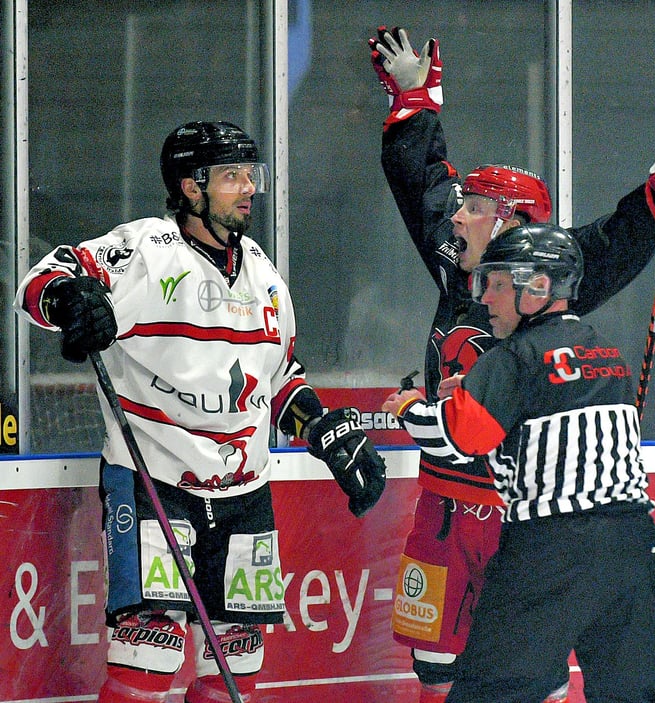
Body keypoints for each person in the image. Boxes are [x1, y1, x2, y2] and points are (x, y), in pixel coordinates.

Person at [367, 25, 655, 703]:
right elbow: (423, 188)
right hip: (443, 506)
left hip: (515, 515)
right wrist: (416, 100)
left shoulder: (554, 280)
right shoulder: (460, 265)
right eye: (463, 203)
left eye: (473, 207)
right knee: (436, 667)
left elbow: (616, 242)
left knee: (522, 672)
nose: (455, 219)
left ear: (515, 227)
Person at [15, 121, 386, 703]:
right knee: (148, 656)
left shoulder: (264, 274)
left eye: (251, 174)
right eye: (232, 175)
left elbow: (280, 378)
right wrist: (70, 301)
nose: (249, 188)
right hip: (155, 481)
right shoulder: (144, 250)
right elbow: (43, 279)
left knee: (236, 668)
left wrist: (325, 431)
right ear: (191, 187)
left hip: (245, 493)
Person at [383, 223, 655, 703]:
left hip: (552, 549)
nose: (486, 298)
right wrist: (480, 395)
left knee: (490, 692)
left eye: (496, 285)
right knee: (629, 695)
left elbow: (457, 442)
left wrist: (409, 406)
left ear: (537, 287)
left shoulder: (514, 355)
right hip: (633, 548)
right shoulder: (607, 351)